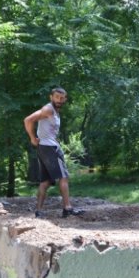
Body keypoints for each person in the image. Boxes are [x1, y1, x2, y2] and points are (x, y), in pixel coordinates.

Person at [23, 87, 83, 218]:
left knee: (46, 181)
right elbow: (28, 120)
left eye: (62, 98)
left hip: (45, 148)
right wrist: (33, 138)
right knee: (63, 177)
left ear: (65, 99)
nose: (59, 100)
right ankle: (67, 208)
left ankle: (38, 211)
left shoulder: (54, 111)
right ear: (51, 97)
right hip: (50, 148)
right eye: (57, 97)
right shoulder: (48, 109)